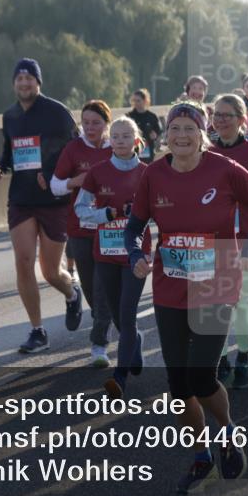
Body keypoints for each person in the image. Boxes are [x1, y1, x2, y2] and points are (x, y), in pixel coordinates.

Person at [123, 101, 248, 494]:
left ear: (202, 132)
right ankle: (201, 455)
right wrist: (137, 255)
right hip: (170, 287)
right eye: (174, 128)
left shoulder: (224, 169)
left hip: (217, 282)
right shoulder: (153, 175)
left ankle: (227, 432)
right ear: (165, 135)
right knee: (178, 387)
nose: (181, 136)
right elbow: (133, 227)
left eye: (189, 129)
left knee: (202, 375)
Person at [0, 58, 83, 354]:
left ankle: (71, 293)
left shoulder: (57, 112)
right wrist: (0, 168)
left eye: (30, 78)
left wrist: (56, 174)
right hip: (21, 199)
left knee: (51, 272)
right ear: (14, 84)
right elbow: (10, 153)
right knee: (24, 261)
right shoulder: (10, 116)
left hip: (54, 201)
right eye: (19, 78)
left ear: (38, 82)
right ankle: (37, 330)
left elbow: (75, 151)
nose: (24, 83)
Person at [75, 117, 150, 398]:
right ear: (110, 140)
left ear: (136, 140)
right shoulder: (97, 172)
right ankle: (136, 343)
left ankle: (119, 377)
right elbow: (80, 209)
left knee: (128, 314)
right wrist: (103, 215)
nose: (120, 140)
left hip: (135, 254)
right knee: (119, 316)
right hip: (105, 253)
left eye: (126, 135)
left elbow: (163, 210)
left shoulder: (148, 173)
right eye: (115, 136)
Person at [209, 94, 248, 389]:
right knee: (217, 301)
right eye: (217, 114)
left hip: (244, 236)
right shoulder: (204, 150)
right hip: (213, 239)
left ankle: (243, 357)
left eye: (227, 115)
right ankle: (221, 358)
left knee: (241, 302)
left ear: (241, 119)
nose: (220, 120)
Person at [51, 101, 114, 366]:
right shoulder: (73, 149)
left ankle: (99, 343)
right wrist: (74, 182)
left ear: (106, 124)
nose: (90, 128)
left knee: (105, 287)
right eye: (86, 122)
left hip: (111, 230)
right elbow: (55, 186)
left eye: (96, 123)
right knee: (90, 286)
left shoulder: (117, 146)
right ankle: (101, 318)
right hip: (79, 228)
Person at [127, 89, 162, 164]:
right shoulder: (129, 117)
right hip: (132, 150)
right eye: (134, 101)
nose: (136, 103)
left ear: (145, 101)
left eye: (138, 100)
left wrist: (155, 135)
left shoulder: (152, 117)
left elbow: (158, 132)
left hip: (148, 151)